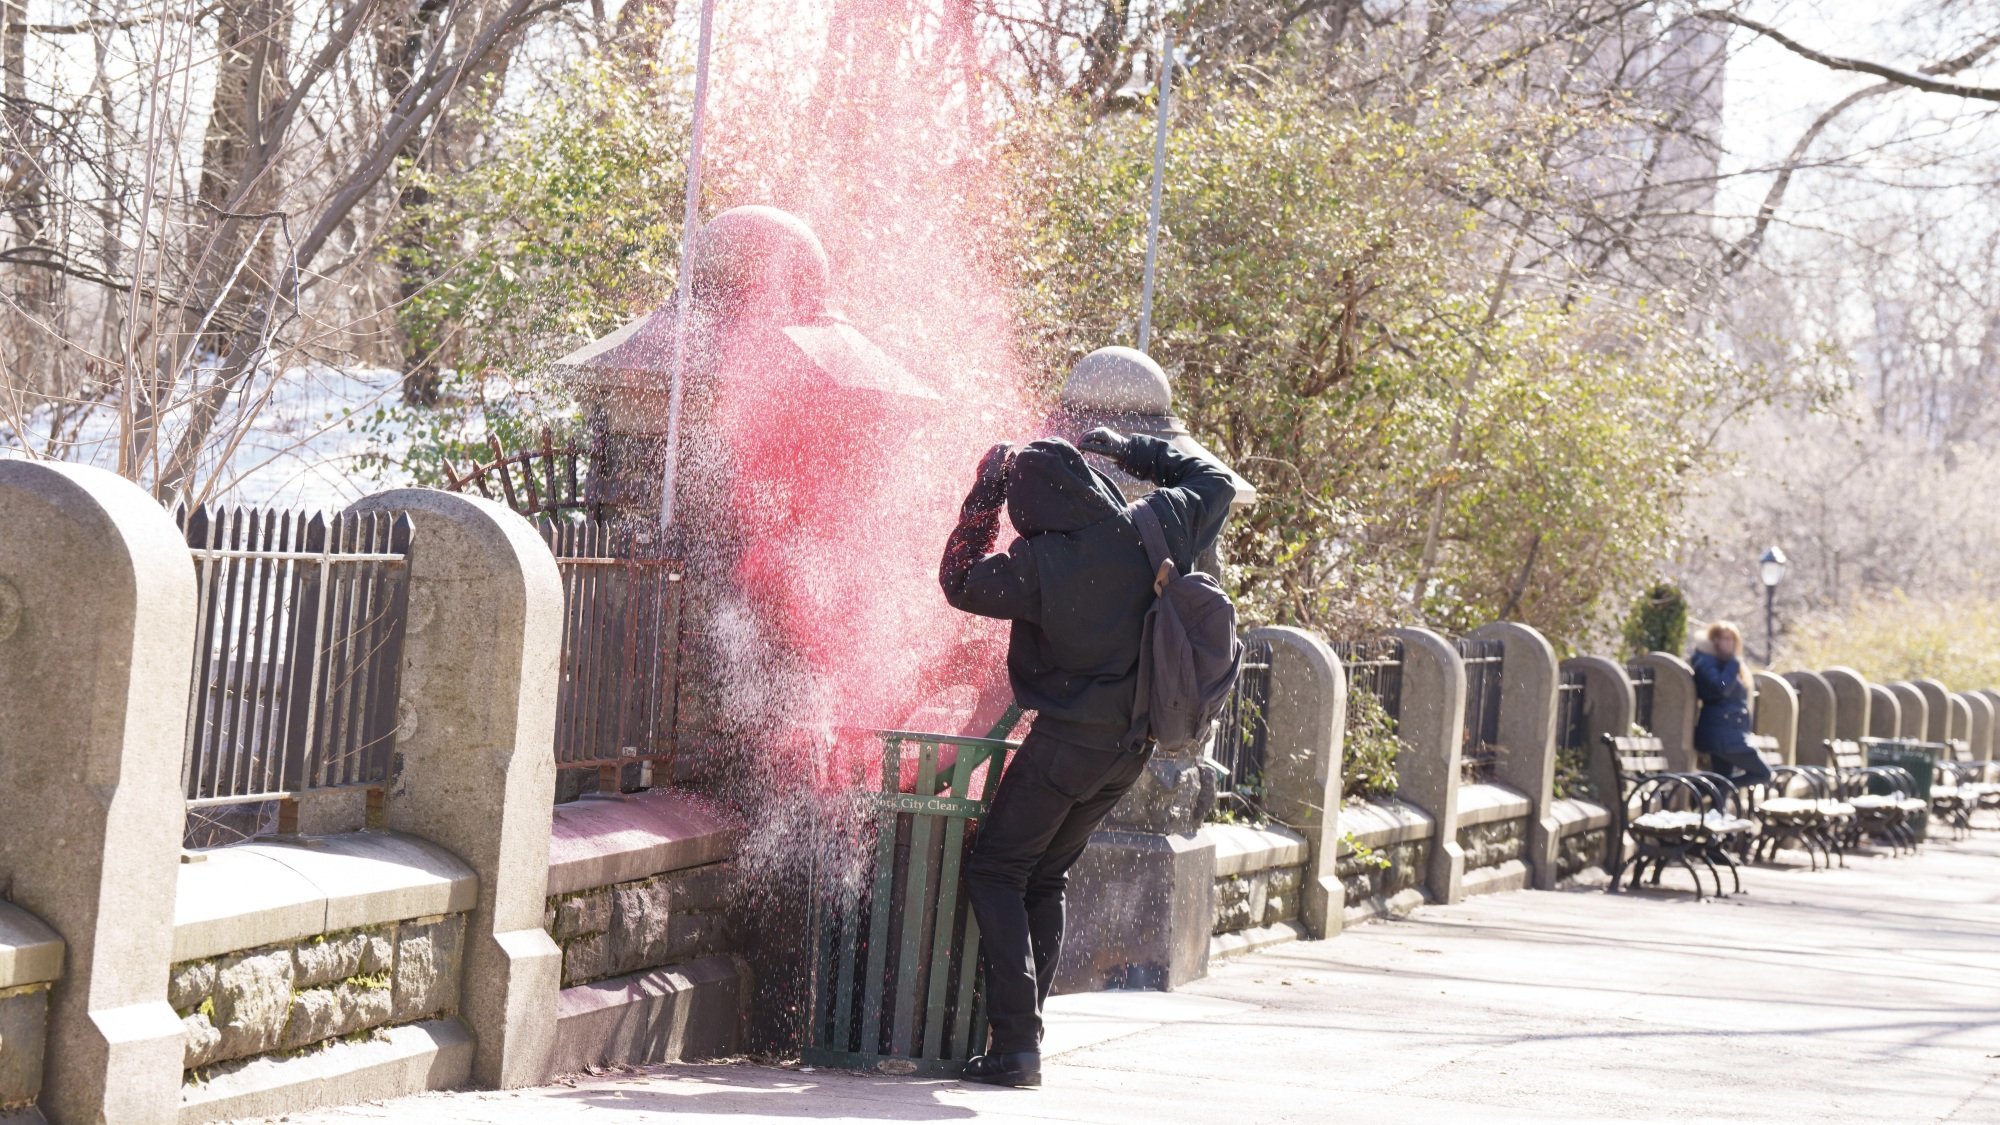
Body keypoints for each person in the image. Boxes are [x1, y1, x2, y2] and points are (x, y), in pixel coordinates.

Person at [938, 426, 1234, 1088]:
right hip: (1130, 750)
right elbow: (1215, 479)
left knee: (996, 870)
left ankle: (1015, 1044)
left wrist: (981, 500)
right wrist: (1130, 447)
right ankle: (1023, 1039)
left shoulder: (1040, 565)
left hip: (1067, 745)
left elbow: (957, 580)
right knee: (1044, 877)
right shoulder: (1150, 524)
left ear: (1027, 508)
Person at [1689, 621, 1772, 788]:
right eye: (1724, 638)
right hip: (1721, 733)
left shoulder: (1723, 663)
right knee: (1763, 773)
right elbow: (1721, 688)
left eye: (1732, 639)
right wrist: (1734, 664)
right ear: (1714, 641)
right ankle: (1704, 792)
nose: (1729, 643)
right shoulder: (1706, 662)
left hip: (1729, 733)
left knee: (1724, 777)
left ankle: (1715, 804)